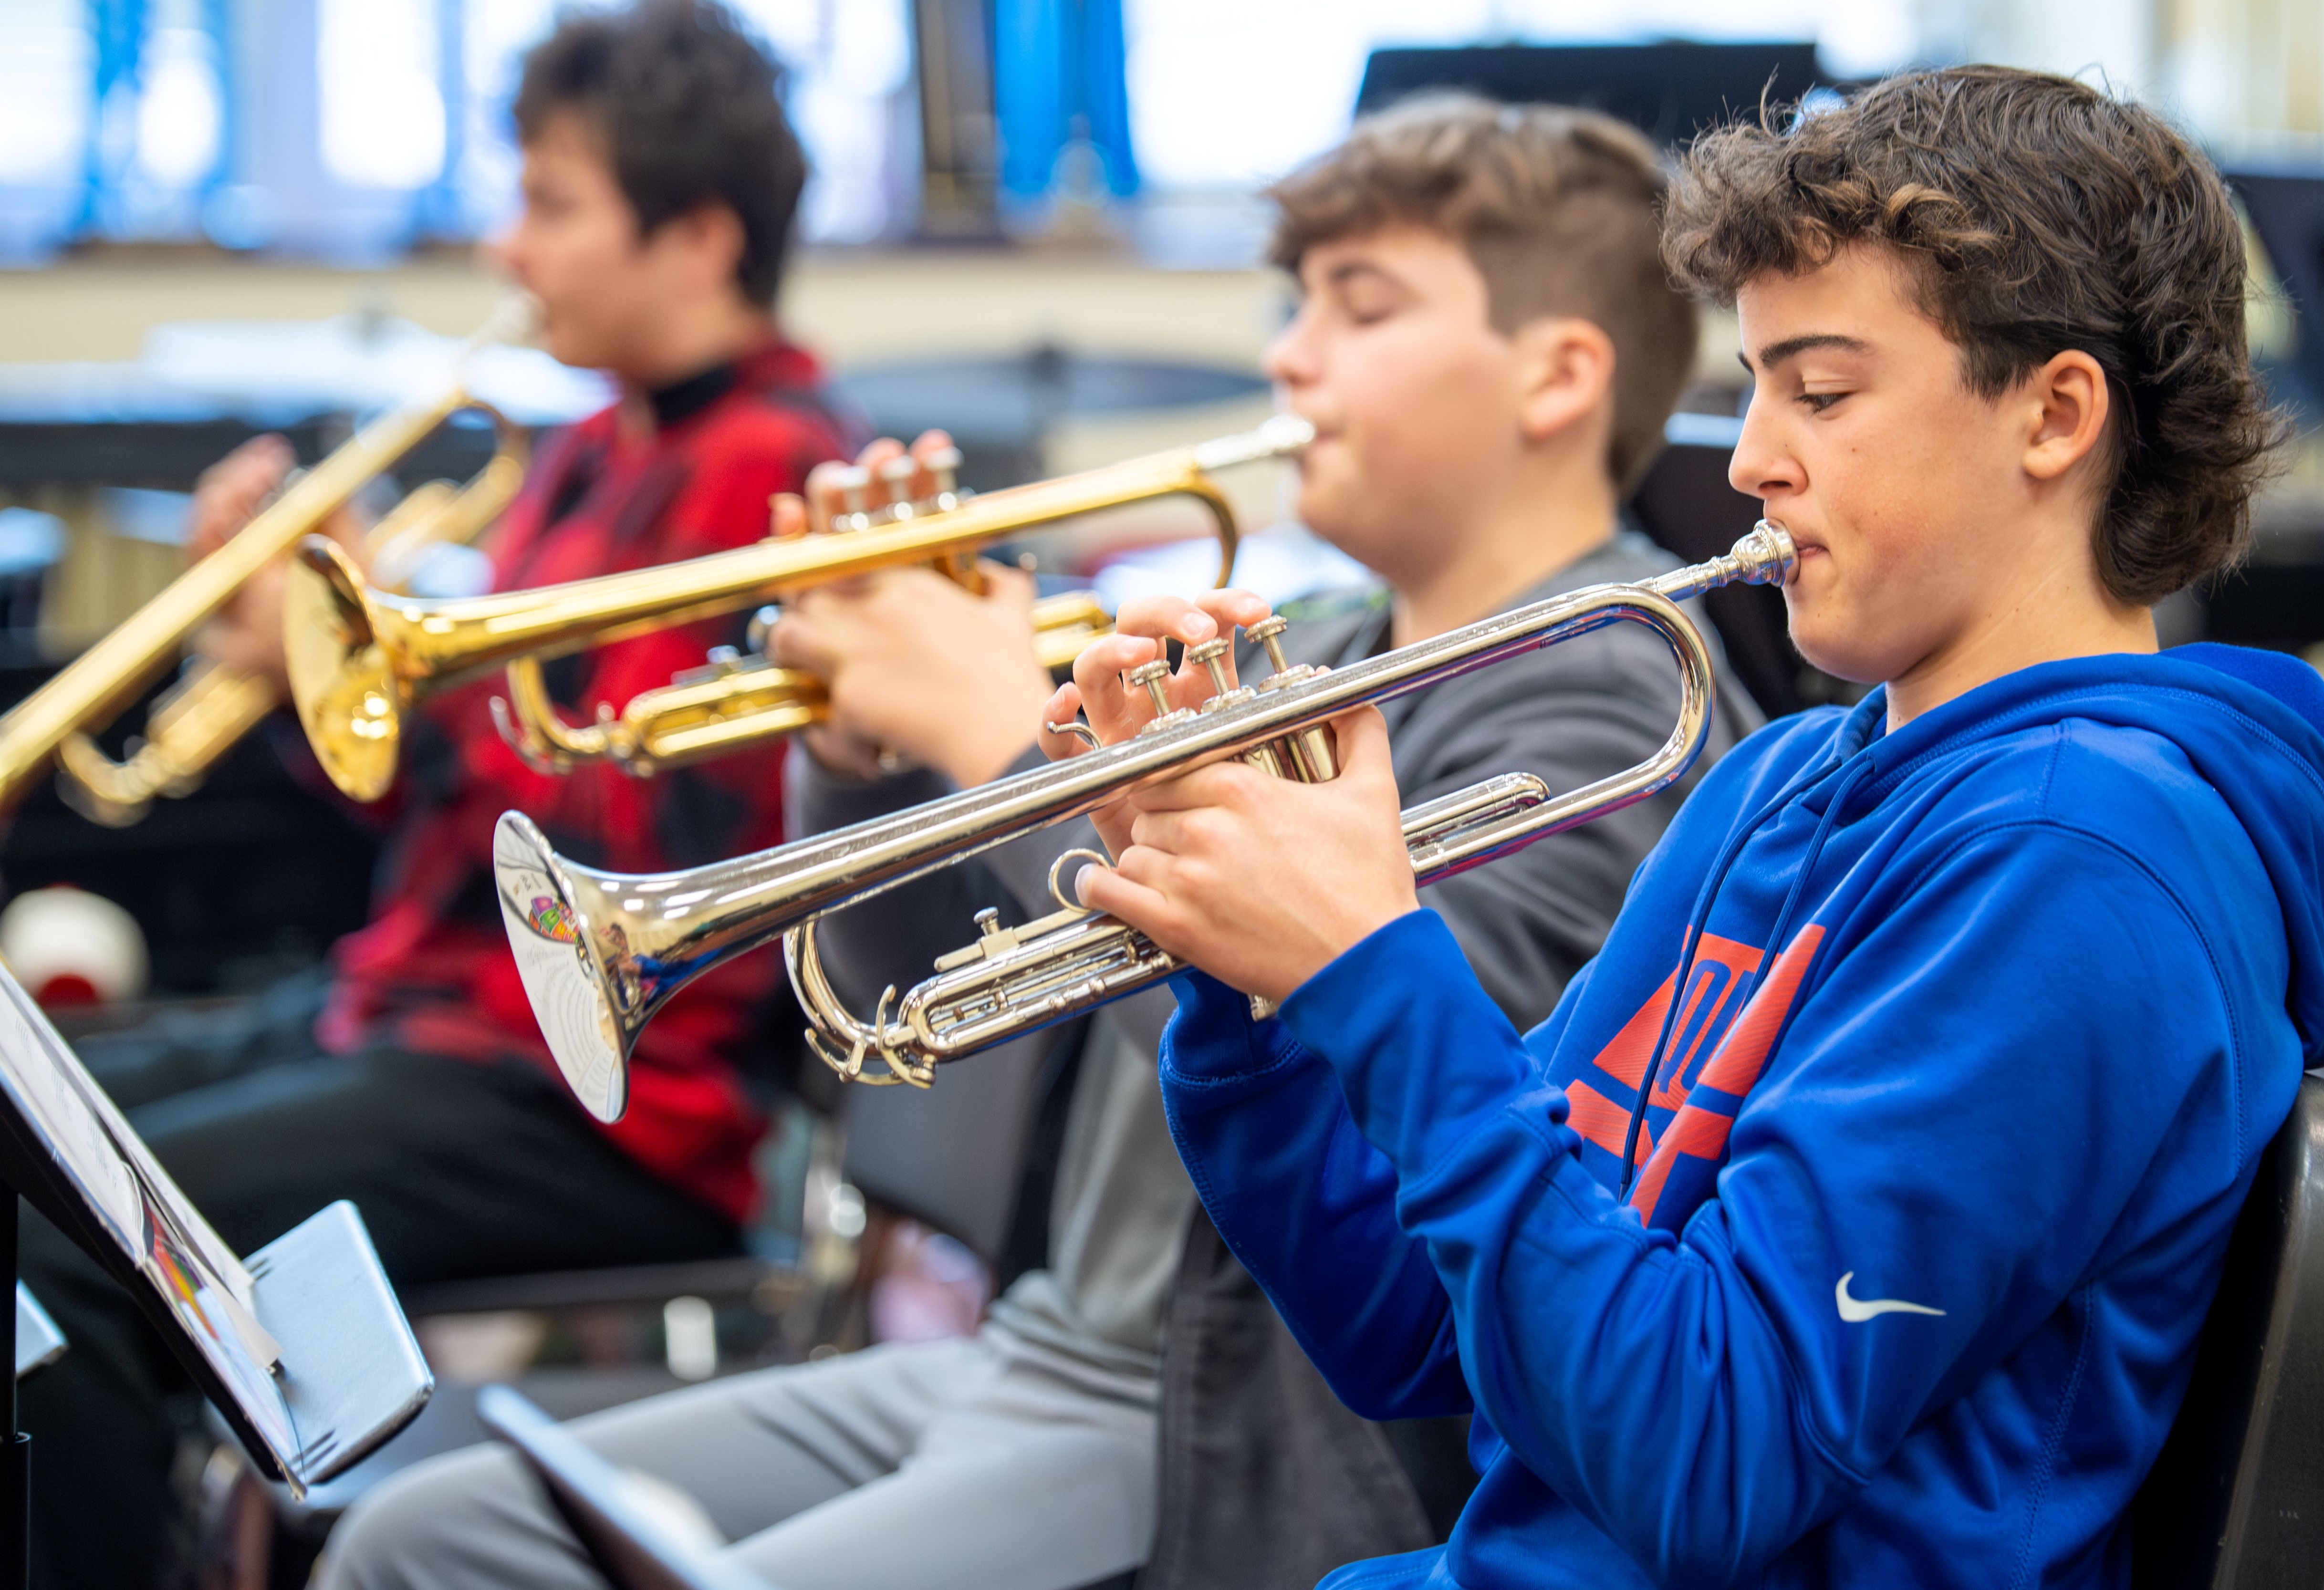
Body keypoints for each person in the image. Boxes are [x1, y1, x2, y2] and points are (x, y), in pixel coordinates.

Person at [319, 97, 1759, 1590]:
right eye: (1297, 303)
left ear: (1558, 377)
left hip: (1232, 1418)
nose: (1289, 354)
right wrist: (862, 758)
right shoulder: (1307, 641)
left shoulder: (1605, 687)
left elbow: (1387, 1110)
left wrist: (1006, 741)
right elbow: (916, 1010)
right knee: (424, 1541)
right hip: (1035, 1344)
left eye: (1362, 307)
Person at [1038, 65, 2324, 1590]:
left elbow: (1704, 1461)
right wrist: (1244, 977)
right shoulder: (1784, 779)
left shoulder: (2082, 864)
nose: (1750, 457)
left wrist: (1374, 966)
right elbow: (1409, 1330)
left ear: (2057, 415)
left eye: (1821, 392)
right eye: (1751, 385)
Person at [17, 5, 856, 1584]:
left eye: (549, 204)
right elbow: (431, 834)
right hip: (425, 1006)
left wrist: (387, 681)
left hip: (605, 1101)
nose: (506, 243)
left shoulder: (774, 474)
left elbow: (641, 826)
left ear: (696, 236)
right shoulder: (587, 450)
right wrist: (299, 685)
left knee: (69, 1248)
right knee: (40, 1133)